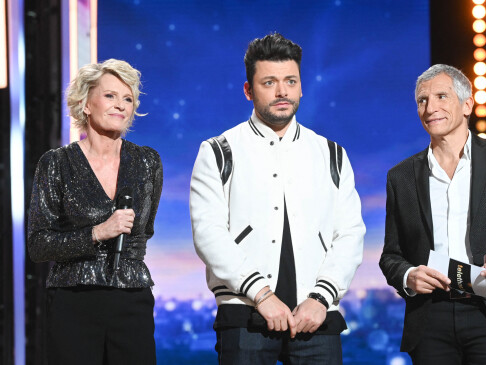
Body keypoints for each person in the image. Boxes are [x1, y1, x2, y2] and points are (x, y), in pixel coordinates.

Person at [189, 33, 365, 364]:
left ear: (301, 87)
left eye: (290, 81)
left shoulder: (331, 154)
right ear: (248, 90)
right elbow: (208, 233)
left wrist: (320, 298)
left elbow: (351, 234)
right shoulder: (219, 151)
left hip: (317, 317)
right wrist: (261, 294)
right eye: (269, 82)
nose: (282, 91)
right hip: (245, 315)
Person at [379, 64, 486, 364]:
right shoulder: (401, 176)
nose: (430, 107)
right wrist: (408, 275)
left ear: (467, 104)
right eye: (422, 100)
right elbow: (391, 255)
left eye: (442, 96)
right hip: (431, 317)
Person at [28, 59, 162, 365]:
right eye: (110, 96)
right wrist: (97, 232)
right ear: (86, 104)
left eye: (128, 98)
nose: (121, 106)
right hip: (74, 301)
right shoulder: (56, 163)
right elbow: (38, 244)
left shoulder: (147, 162)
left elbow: (143, 232)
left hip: (132, 300)